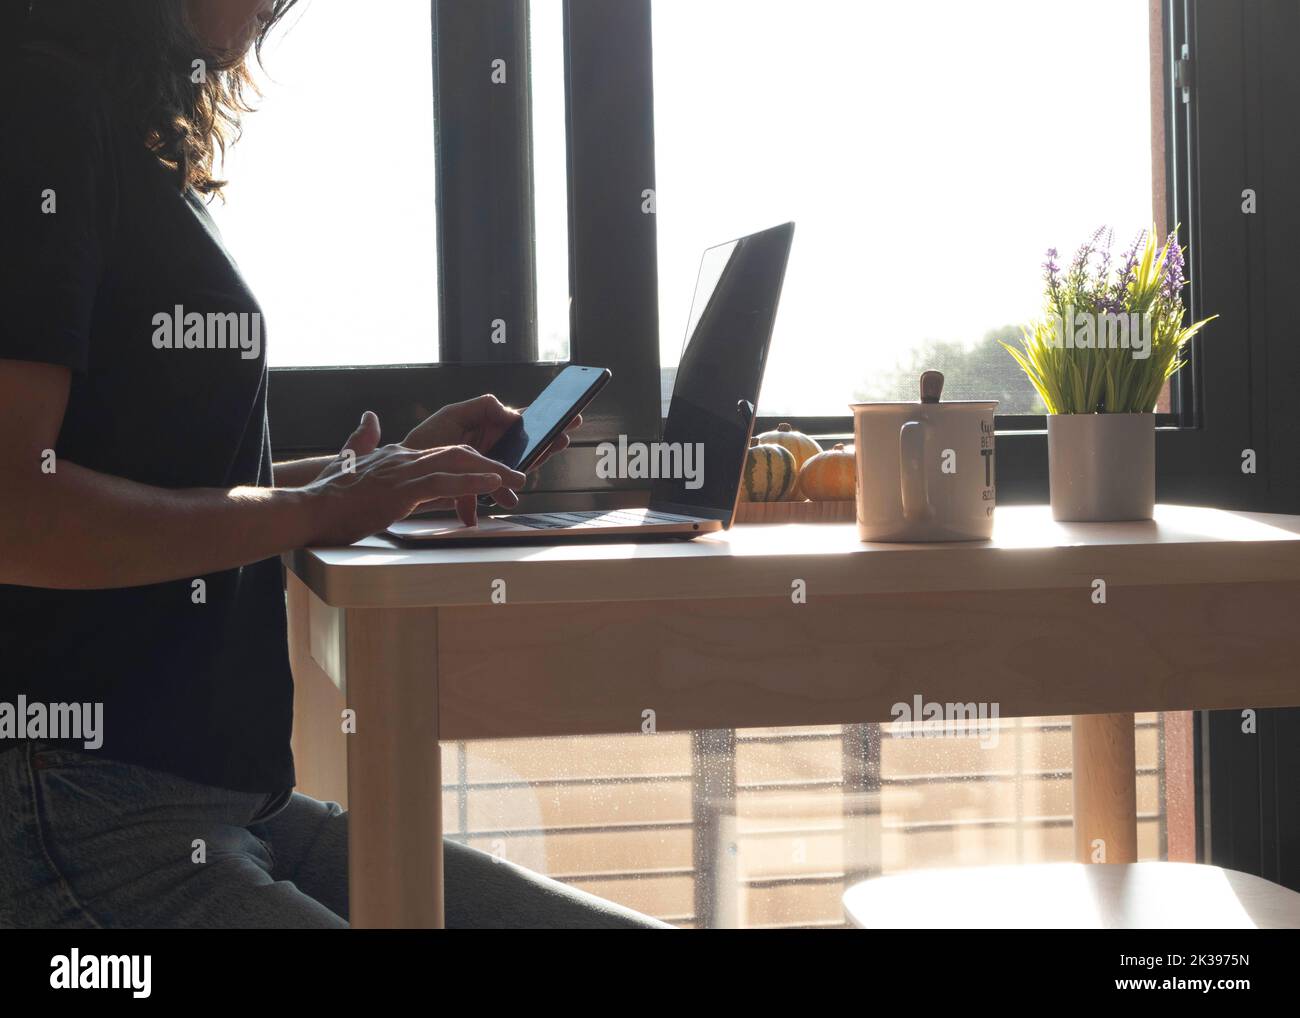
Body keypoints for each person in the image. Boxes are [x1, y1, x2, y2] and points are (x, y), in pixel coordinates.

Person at [0, 0, 670, 929]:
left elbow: (156, 471)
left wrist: (376, 477)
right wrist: (324, 506)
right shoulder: (41, 107)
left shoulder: (111, 134)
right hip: (80, 815)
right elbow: (15, 512)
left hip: (232, 806)